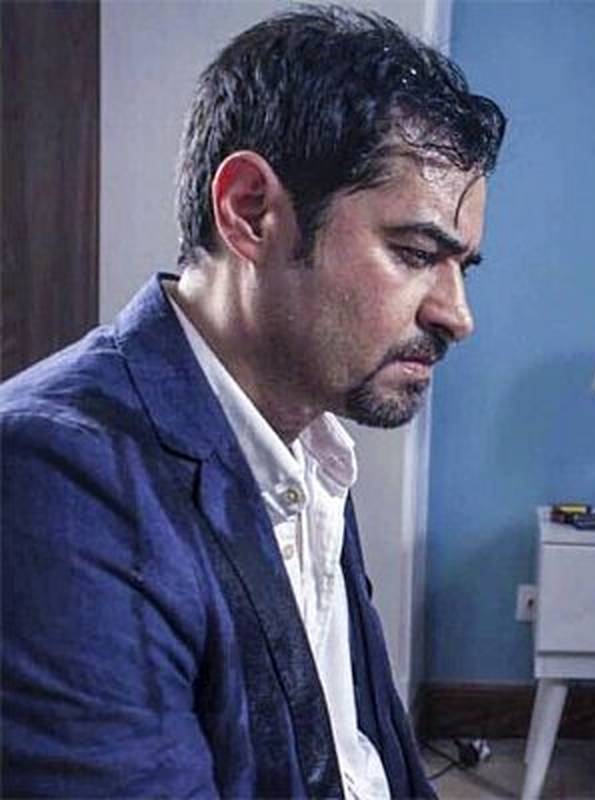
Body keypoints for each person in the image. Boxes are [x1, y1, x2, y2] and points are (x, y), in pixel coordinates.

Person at [0, 6, 504, 797]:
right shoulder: (55, 481)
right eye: (414, 253)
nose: (457, 315)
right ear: (250, 212)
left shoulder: (306, 441)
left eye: (462, 267)